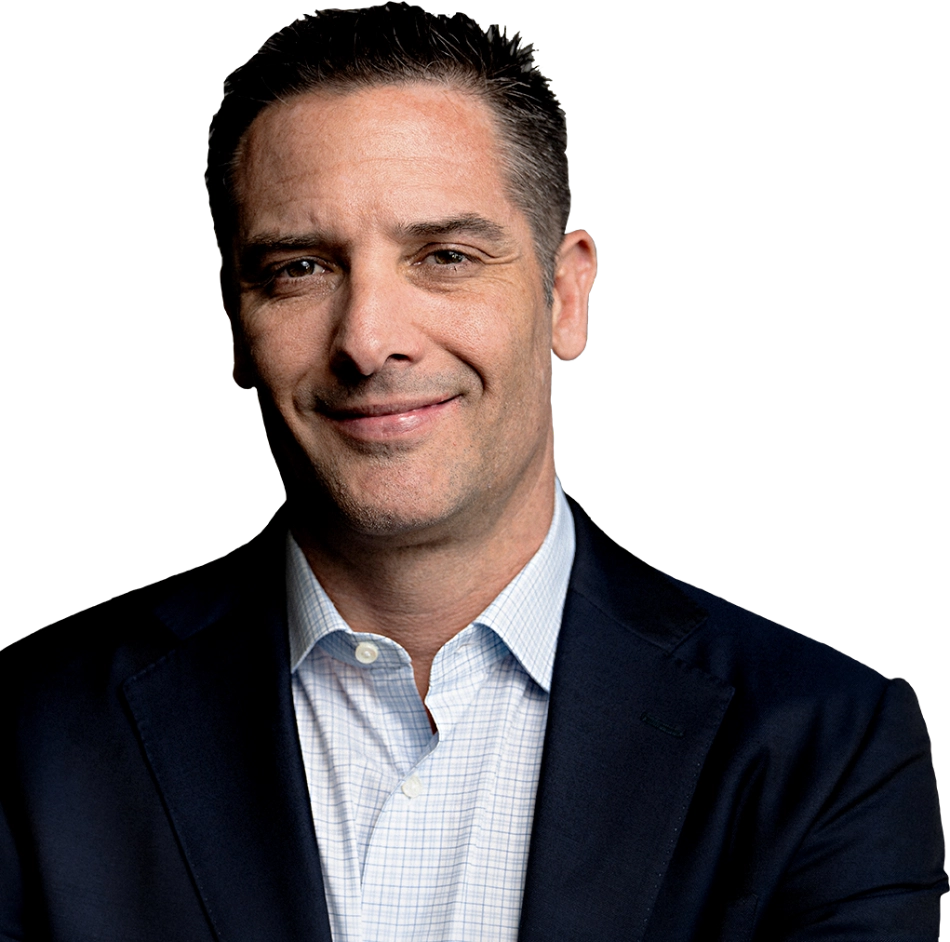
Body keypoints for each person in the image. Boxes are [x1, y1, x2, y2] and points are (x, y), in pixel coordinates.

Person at [2, 4, 946, 940]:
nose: (368, 339)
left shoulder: (826, 745)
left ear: (566, 295)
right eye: (299, 268)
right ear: (236, 325)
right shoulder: (29, 736)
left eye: (445, 256)